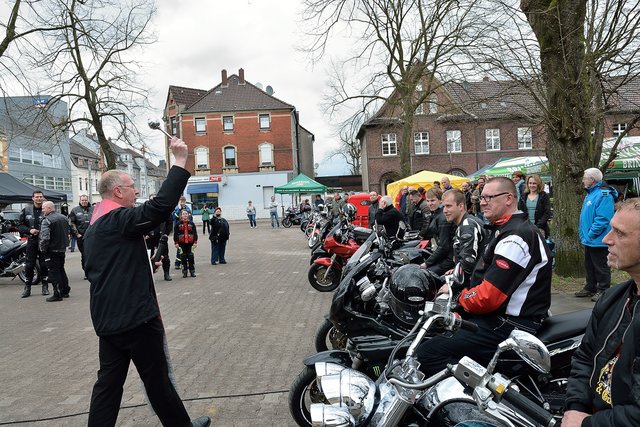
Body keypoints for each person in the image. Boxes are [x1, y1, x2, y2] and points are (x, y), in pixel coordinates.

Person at [82, 136, 210, 427]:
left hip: (107, 321)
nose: (136, 190)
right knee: (158, 383)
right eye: (131, 187)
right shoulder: (120, 219)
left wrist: (136, 264)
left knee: (108, 387)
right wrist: (179, 161)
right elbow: (160, 207)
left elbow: (94, 270)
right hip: (136, 320)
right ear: (117, 192)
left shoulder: (93, 228)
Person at [417, 177, 552, 376]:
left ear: (508, 199)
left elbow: (488, 296)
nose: (482, 202)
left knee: (428, 352)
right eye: (481, 197)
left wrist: (459, 299)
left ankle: (466, 403)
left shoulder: (516, 237)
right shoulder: (506, 229)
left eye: (489, 197)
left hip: (509, 323)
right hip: (501, 317)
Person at [562, 198, 640, 427]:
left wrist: (587, 424)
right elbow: (585, 357)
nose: (607, 239)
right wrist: (576, 407)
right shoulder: (613, 297)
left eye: (620, 233)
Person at [575, 167, 617, 302]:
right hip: (590, 238)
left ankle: (603, 290)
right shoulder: (591, 193)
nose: (582, 180)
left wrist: (591, 234)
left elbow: (603, 218)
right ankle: (590, 287)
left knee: (600, 265)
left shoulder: (604, 194)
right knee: (589, 265)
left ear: (592, 180)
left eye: (584, 177)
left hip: (597, 239)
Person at [441, 189, 488, 286]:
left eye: (449, 206)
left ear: (461, 206)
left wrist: (452, 286)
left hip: (476, 284)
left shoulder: (467, 225)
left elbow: (468, 262)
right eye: (443, 206)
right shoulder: (465, 222)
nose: (445, 210)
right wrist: (456, 270)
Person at [18, 190, 50, 298]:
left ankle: (45, 286)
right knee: (29, 265)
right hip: (32, 241)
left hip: (44, 241)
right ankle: (27, 288)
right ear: (33, 198)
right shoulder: (26, 210)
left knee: (44, 264)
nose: (39, 199)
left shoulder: (47, 209)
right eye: (37, 197)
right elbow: (20, 226)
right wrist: (29, 231)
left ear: (43, 198)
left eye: (40, 197)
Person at [39, 201, 70, 302]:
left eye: (43, 208)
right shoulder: (64, 218)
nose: (42, 210)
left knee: (53, 271)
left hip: (51, 250)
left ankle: (57, 293)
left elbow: (45, 237)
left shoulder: (46, 220)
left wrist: (43, 249)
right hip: (62, 249)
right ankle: (65, 290)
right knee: (61, 269)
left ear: (49, 208)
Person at [420, 187, 455, 275]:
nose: (429, 204)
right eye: (427, 201)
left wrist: (427, 263)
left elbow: (444, 246)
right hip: (444, 256)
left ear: (440, 201)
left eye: (432, 200)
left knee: (424, 274)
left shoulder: (443, 217)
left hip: (449, 259)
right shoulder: (437, 214)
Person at [144, 194, 173, 282]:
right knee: (148, 256)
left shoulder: (164, 211)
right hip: (149, 238)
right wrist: (145, 234)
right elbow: (142, 223)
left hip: (161, 237)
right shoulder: (145, 211)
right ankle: (148, 275)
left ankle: (166, 273)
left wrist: (166, 234)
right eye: (151, 200)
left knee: (165, 256)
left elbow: (170, 222)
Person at [517, 174, 552, 238]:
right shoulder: (523, 196)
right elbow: (519, 211)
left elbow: (547, 213)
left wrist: (538, 226)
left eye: (534, 183)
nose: (532, 185)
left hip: (540, 228)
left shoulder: (543, 196)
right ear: (527, 184)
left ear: (538, 184)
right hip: (525, 228)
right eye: (530, 183)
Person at [69, 194, 93, 278]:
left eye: (85, 200)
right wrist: (77, 234)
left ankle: (94, 271)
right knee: (85, 254)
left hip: (92, 236)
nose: (84, 202)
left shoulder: (93, 209)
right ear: (80, 201)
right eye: (82, 200)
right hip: (81, 236)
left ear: (88, 200)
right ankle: (86, 271)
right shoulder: (75, 210)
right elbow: (71, 223)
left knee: (93, 254)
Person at [174, 209, 198, 278]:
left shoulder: (192, 224)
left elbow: (195, 233)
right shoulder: (178, 224)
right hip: (182, 244)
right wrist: (176, 243)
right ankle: (184, 272)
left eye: (186, 214)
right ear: (181, 215)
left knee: (191, 257)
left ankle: (192, 271)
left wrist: (195, 242)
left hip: (190, 243)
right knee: (183, 258)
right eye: (183, 214)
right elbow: (175, 234)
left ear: (188, 215)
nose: (185, 215)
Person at [172, 196, 192, 269]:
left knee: (188, 249)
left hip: (187, 232)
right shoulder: (176, 209)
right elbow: (175, 217)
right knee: (179, 249)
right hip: (179, 232)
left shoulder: (188, 209)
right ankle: (177, 263)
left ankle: (188, 263)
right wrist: (179, 209)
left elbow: (190, 219)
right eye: (181, 201)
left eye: (183, 201)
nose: (182, 203)